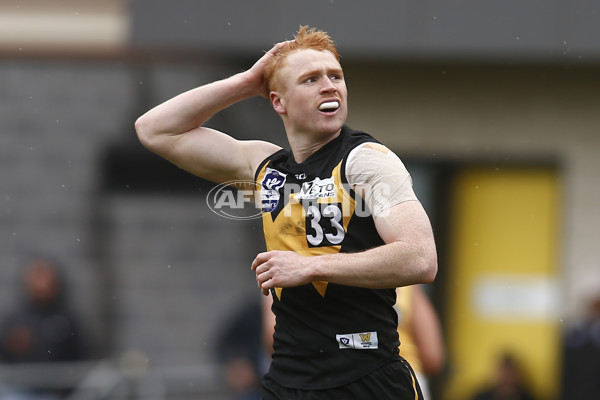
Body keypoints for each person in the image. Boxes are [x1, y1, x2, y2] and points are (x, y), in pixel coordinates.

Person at [135, 25, 437, 399]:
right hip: (288, 380)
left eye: (336, 76)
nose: (329, 85)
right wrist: (246, 83)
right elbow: (155, 130)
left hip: (366, 377)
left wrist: (311, 265)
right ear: (278, 102)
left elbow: (421, 258)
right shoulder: (265, 166)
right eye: (311, 79)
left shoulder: (366, 161)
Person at [0, 256, 85, 399]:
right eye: (36, 277)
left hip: (52, 392)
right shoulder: (15, 318)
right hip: (17, 388)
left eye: (44, 277)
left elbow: (74, 356)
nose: (40, 283)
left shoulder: (65, 320)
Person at [394, 285, 445, 400]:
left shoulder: (347, 281)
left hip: (353, 379)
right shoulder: (406, 285)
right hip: (406, 380)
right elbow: (432, 356)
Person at [470, 353, 537, 400]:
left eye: (511, 374)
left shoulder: (528, 397)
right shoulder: (480, 397)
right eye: (504, 374)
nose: (507, 379)